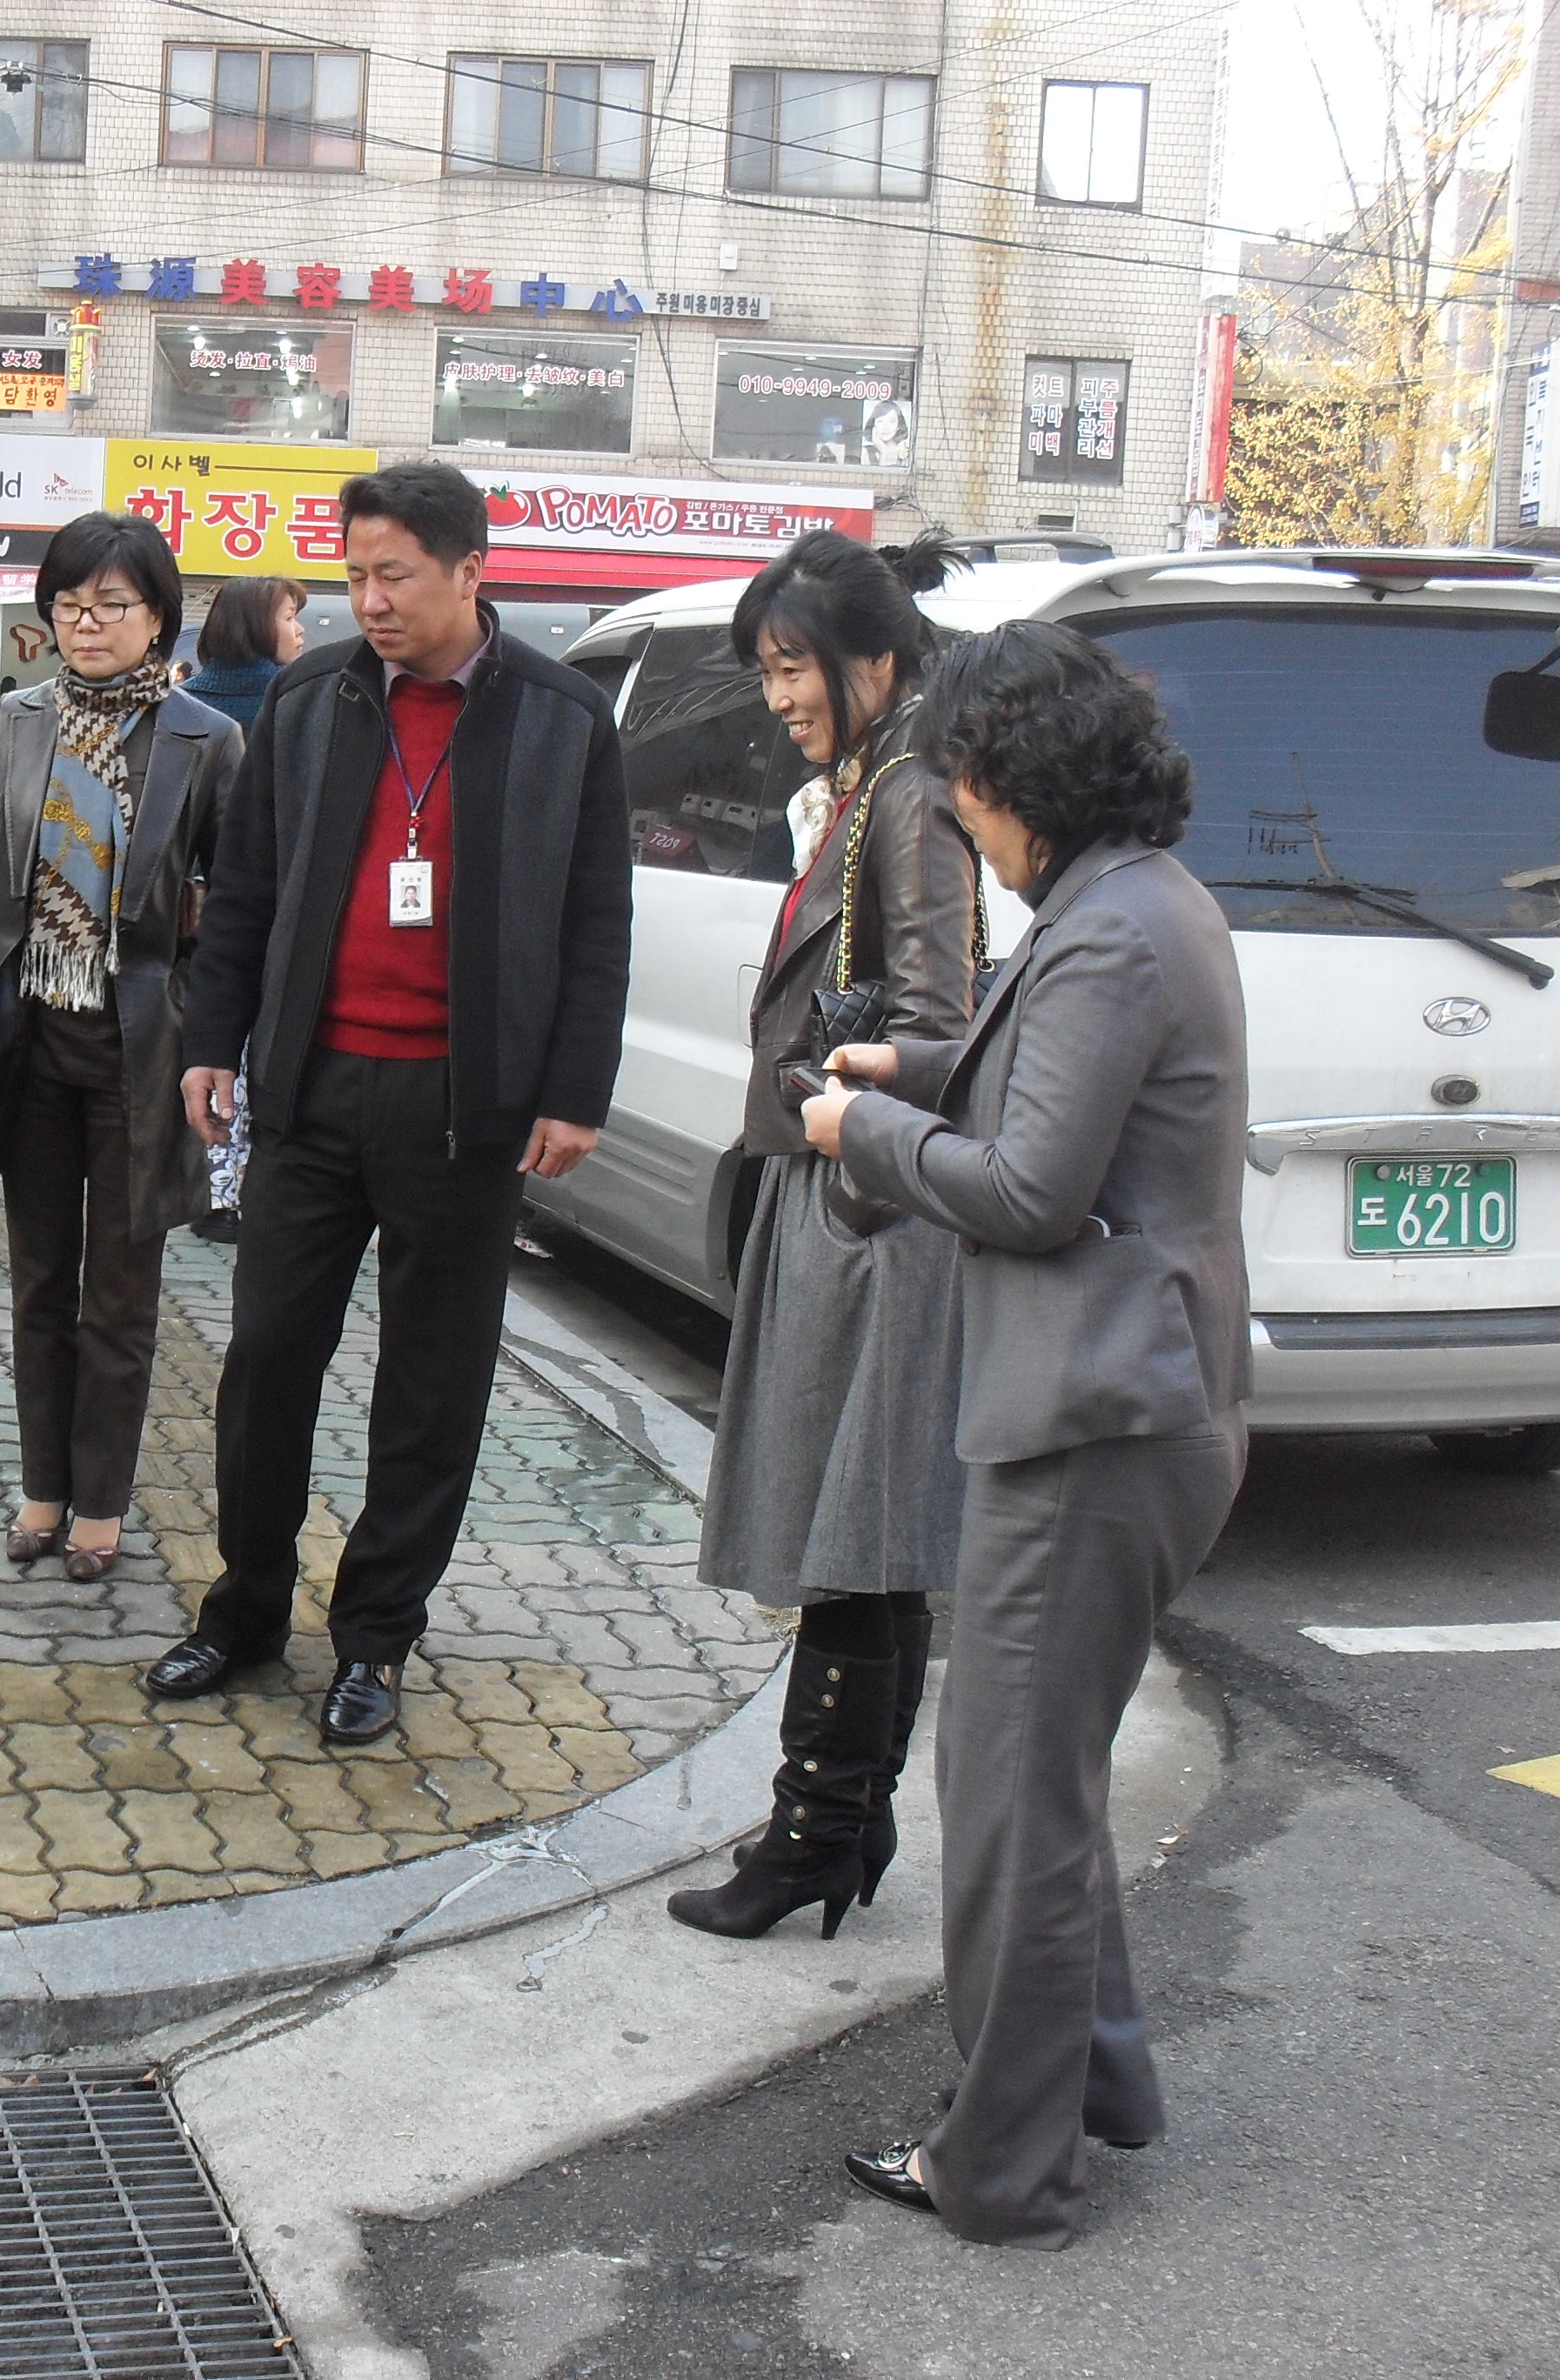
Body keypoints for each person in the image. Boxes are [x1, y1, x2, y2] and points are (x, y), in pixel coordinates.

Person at [804, 618, 1249, 2249]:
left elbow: (1028, 1186)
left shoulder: (1106, 933)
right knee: (1033, 1781)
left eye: (961, 790)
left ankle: (999, 2166)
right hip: (1121, 1404)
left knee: (1004, 1800)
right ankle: (1088, 2087)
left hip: (1091, 1423)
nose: (959, 825)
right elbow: (1043, 1092)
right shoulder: (1132, 902)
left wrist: (866, 1131)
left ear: (1008, 784)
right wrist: (910, 1065)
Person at [156, 462, 632, 1745]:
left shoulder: (563, 716)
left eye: (394, 577)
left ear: (472, 571)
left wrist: (574, 1090)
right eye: (353, 575)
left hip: (465, 1111)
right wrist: (216, 1042)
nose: (367, 600)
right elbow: (245, 881)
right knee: (264, 1366)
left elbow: (598, 921)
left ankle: (375, 1641)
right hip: (310, 1096)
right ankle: (246, 1613)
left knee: (430, 1390)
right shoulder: (314, 698)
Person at [669, 528, 980, 1946]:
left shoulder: (906, 793)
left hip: (865, 1206)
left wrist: (823, 1119)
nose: (775, 698)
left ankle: (814, 1832)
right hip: (856, 1193)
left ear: (874, 662)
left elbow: (935, 1025)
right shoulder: (873, 781)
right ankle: (838, 1825)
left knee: (858, 1530)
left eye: (791, 668)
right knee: (861, 1532)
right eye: (763, 671)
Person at [0, 511, 242, 1581]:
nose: (88, 624)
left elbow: (239, 902)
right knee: (38, 1282)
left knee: (119, 1293)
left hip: (139, 1056)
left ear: (158, 616)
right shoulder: (17, 725)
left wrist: (193, 1015)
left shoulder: (208, 739)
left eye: (112, 606)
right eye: (70, 605)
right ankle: (42, 1488)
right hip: (31, 1043)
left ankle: (104, 1503)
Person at [182, 576, 308, 1244]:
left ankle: (213, 1187)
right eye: (291, 617)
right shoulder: (297, 708)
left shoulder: (183, 705)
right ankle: (245, 1186)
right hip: (276, 908)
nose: (301, 631)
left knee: (213, 1041)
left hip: (197, 911)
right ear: (261, 626)